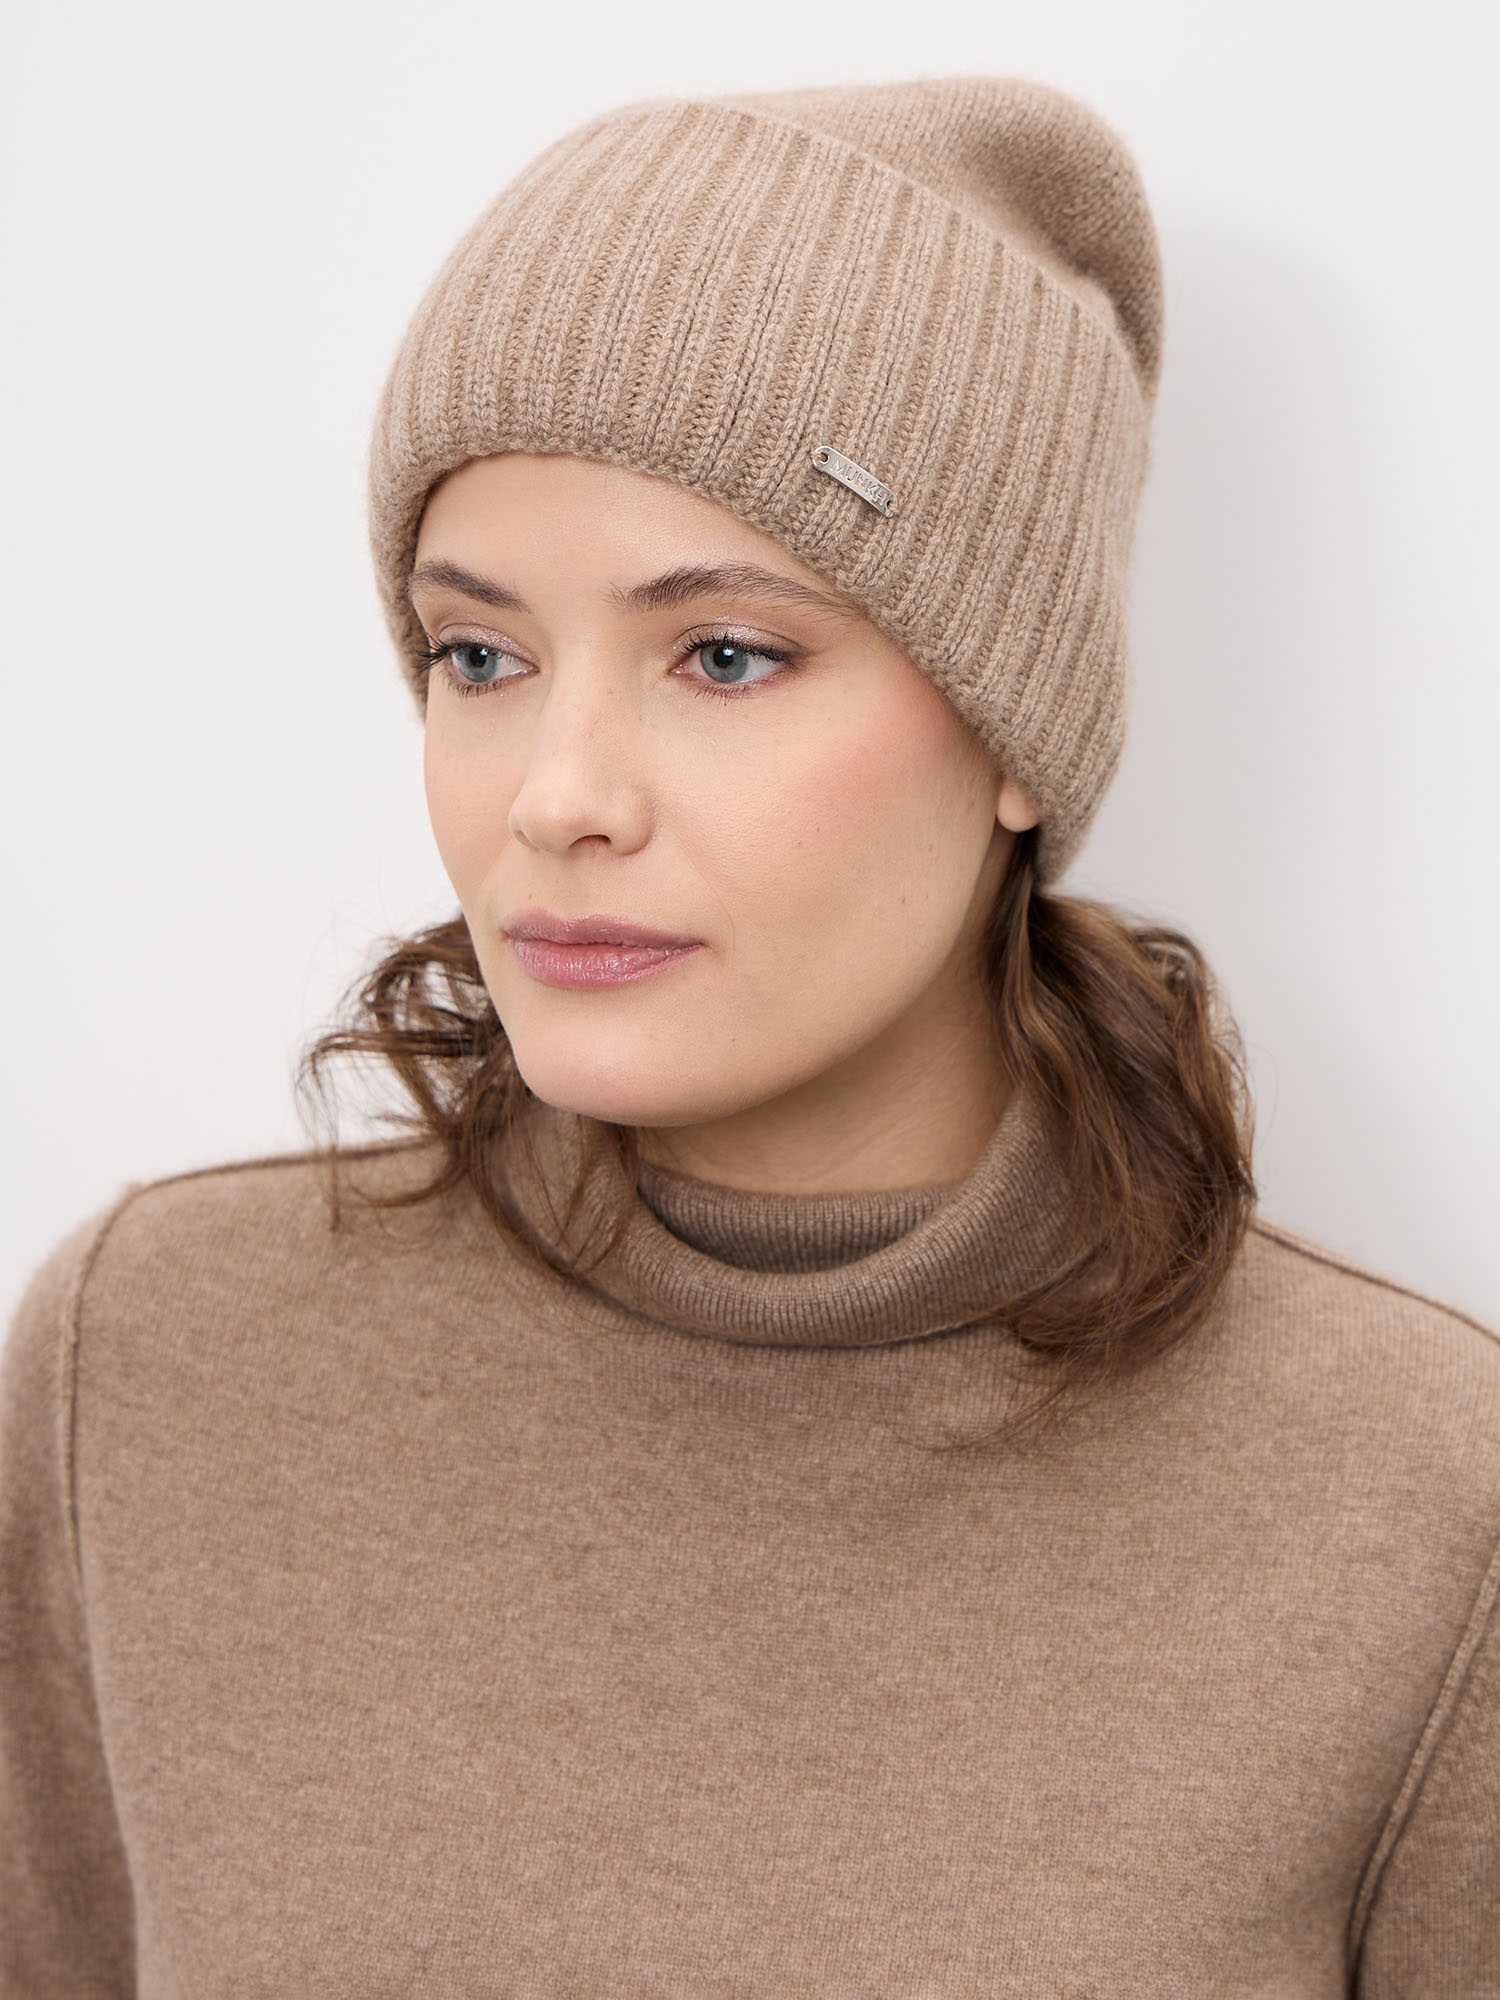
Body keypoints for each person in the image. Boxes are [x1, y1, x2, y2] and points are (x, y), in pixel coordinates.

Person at [2, 73, 1496, 1997]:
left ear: (1014, 731)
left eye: (724, 654)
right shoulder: (147, 1373)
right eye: (480, 655)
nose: (557, 795)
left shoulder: (1418, 1503)